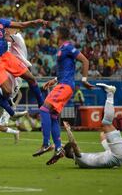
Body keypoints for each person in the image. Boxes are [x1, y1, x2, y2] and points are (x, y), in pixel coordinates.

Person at [0, 5, 46, 119]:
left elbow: (21, 25)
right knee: (7, 92)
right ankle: (6, 107)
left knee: (31, 78)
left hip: (7, 57)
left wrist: (35, 22)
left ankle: (42, 105)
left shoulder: (2, 22)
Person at [33, 26, 94, 165]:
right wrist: (54, 80)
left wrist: (84, 80)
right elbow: (66, 69)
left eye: (55, 33)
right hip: (62, 83)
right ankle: (59, 149)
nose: (53, 36)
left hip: (65, 86)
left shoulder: (68, 47)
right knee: (53, 116)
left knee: (44, 109)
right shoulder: (61, 50)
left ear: (60, 35)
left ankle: (46, 143)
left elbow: (85, 60)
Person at [63, 83, 122, 168]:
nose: (78, 146)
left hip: (116, 158)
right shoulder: (78, 157)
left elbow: (70, 147)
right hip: (117, 155)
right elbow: (73, 143)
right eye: (76, 147)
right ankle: (110, 93)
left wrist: (61, 149)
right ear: (73, 151)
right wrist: (68, 130)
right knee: (106, 123)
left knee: (103, 135)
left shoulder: (79, 162)